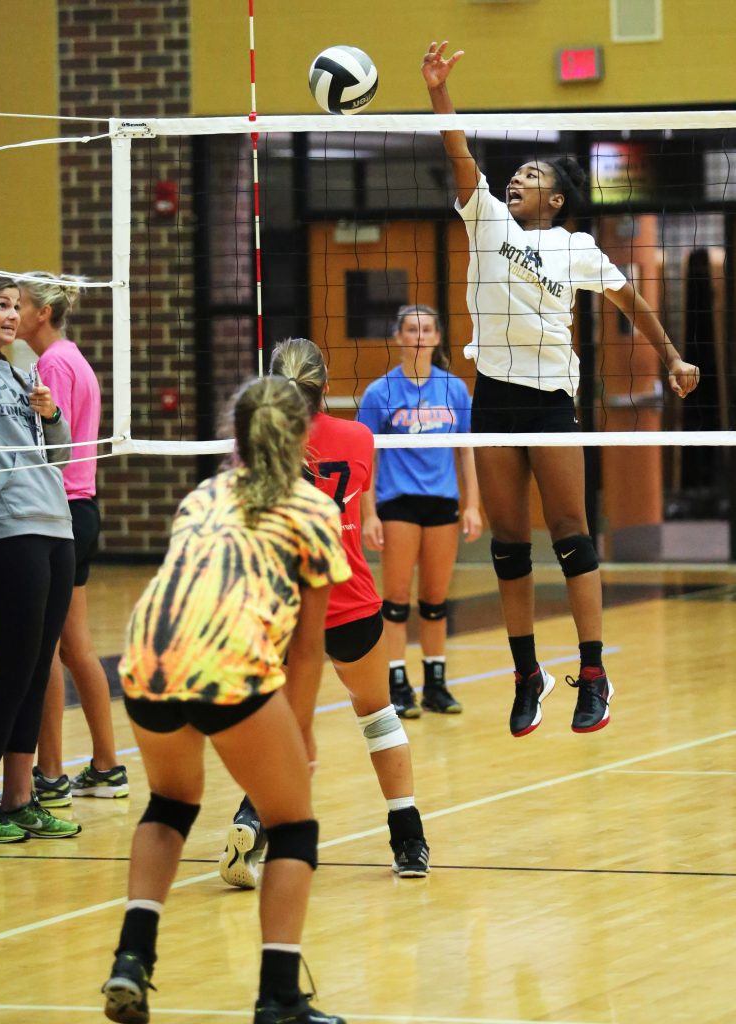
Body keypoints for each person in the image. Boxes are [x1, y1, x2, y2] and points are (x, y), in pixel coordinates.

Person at [421, 41, 701, 736]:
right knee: (509, 545)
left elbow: (629, 301)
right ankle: (526, 673)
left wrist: (671, 356)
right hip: (493, 398)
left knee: (571, 535)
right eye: (514, 172)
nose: (516, 178)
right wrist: (437, 94)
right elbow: (459, 153)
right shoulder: (483, 218)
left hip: (549, 400)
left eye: (531, 175)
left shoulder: (575, 246)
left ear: (555, 197)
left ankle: (593, 672)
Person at [101, 375, 350, 1024]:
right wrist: (299, 733)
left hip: (144, 660)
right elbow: (306, 647)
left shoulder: (202, 495)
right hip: (226, 660)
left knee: (169, 803)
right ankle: (278, 999)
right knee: (292, 826)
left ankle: (132, 961)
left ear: (236, 435)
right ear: (303, 434)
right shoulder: (314, 510)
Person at [219, 338, 430, 892]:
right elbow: (357, 499)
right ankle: (408, 839)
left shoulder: (254, 441)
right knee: (378, 716)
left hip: (281, 606)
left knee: (284, 725)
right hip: (350, 598)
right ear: (325, 384)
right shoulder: (359, 437)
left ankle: (250, 819)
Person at [17, 272, 128, 808]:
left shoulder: (53, 364)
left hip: (59, 510)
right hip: (81, 509)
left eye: (19, 304)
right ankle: (107, 765)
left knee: (45, 652)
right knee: (76, 648)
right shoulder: (73, 357)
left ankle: (53, 774)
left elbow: (48, 445)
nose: (12, 312)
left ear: (42, 313)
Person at [0, 273, 80, 842]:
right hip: (7, 529)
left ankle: (20, 799)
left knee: (38, 668)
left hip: (55, 525)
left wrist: (48, 414)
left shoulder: (24, 371)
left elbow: (63, 455)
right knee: (14, 667)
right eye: (0, 304)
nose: (13, 315)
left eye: (17, 307)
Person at [357, 304, 483, 718]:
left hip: (442, 502)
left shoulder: (454, 389)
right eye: (411, 329)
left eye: (427, 328)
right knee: (395, 600)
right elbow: (365, 458)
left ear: (437, 337)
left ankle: (436, 685)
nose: (419, 336)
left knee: (434, 600)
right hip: (398, 503)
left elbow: (466, 450)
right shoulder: (380, 392)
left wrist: (473, 505)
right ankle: (397, 685)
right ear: (398, 337)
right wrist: (369, 513)